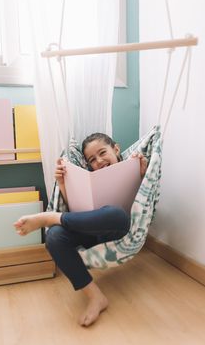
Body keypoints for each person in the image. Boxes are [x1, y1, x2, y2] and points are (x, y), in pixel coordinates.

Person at [14, 133, 147, 327]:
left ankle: (50, 217)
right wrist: (62, 184)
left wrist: (140, 173)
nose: (99, 161)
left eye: (103, 152)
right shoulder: (89, 178)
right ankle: (95, 296)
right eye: (92, 160)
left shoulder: (133, 165)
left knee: (116, 214)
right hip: (88, 229)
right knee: (54, 236)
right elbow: (77, 209)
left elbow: (142, 202)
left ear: (116, 149)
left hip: (118, 229)